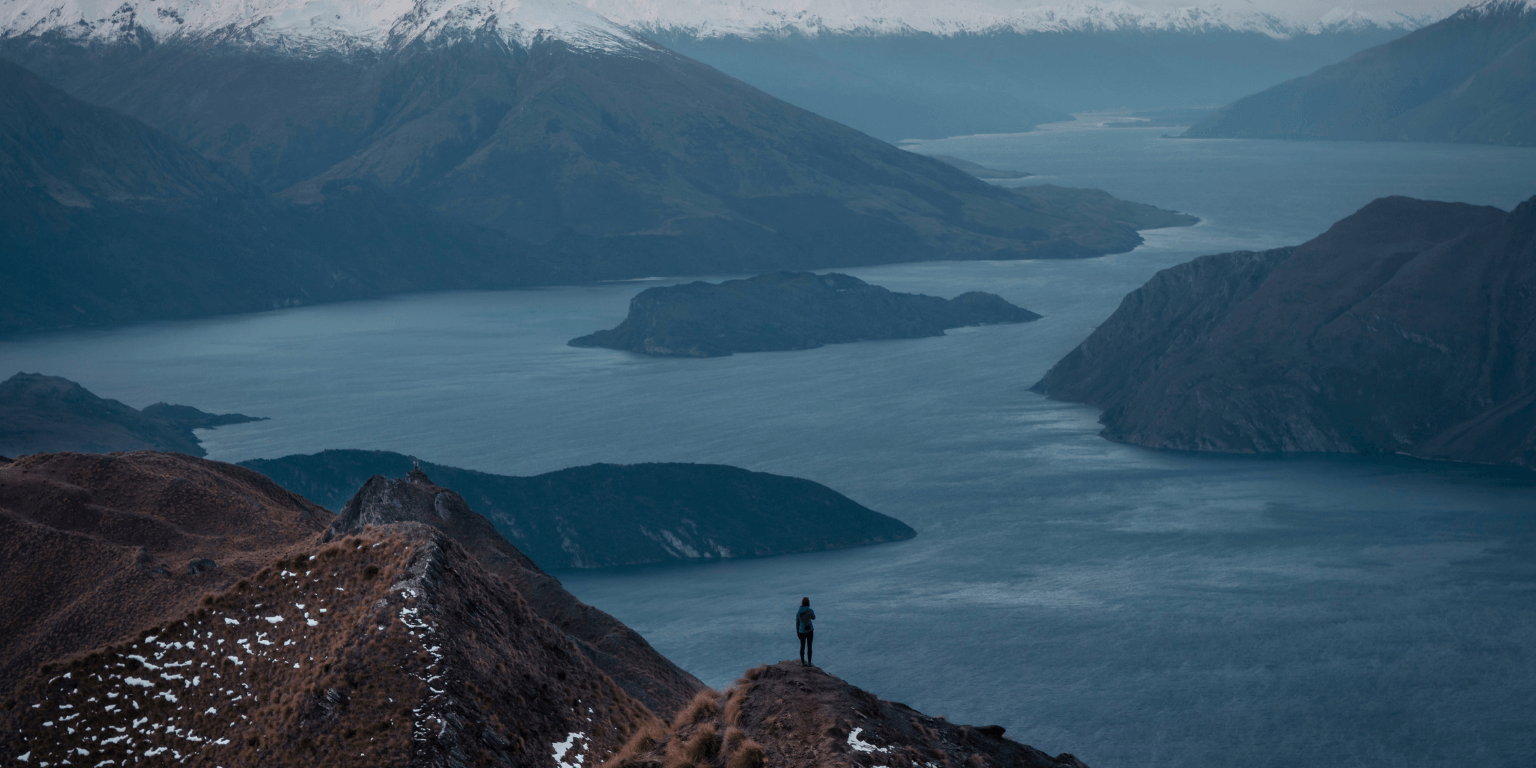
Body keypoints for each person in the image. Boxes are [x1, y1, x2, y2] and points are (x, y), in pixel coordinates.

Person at [796, 597, 816, 666]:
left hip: (801, 631)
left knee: (802, 646)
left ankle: (802, 662)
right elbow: (814, 617)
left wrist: (797, 633)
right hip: (809, 630)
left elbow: (797, 623)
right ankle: (809, 662)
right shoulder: (810, 610)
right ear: (808, 603)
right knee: (809, 646)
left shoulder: (798, 612)